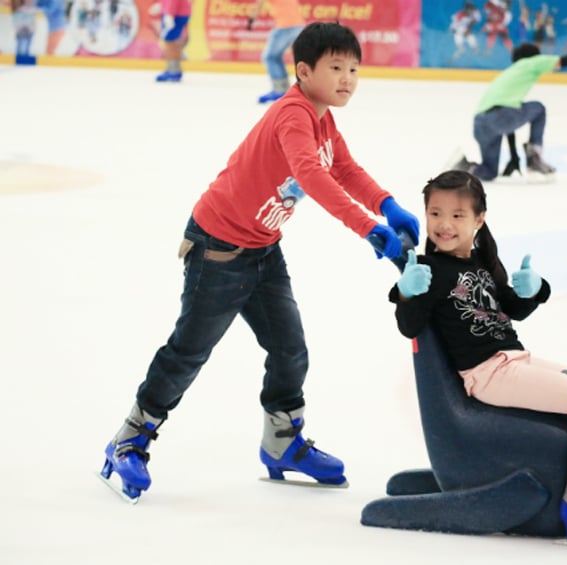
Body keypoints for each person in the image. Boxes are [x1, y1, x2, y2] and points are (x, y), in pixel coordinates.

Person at [100, 21, 420, 502]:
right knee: (189, 350)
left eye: (354, 69)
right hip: (218, 248)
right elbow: (311, 176)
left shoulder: (322, 117)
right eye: (336, 68)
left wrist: (387, 203)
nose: (348, 79)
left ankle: (283, 443)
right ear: (304, 70)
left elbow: (344, 168)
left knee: (290, 348)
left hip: (262, 248)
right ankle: (129, 439)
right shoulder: (293, 114)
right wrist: (371, 229)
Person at [387, 169, 567, 546]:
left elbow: (514, 309)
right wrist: (408, 293)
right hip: (488, 375)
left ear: (479, 220)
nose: (444, 224)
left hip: (513, 360)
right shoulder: (430, 270)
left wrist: (535, 290)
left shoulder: (480, 263)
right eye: (435, 214)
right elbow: (411, 328)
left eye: (457, 215)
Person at [453, 38, 567, 181]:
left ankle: (461, 168)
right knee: (538, 108)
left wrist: (514, 156)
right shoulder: (530, 63)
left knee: (489, 172)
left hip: (481, 123)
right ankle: (534, 156)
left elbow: (507, 123)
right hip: (502, 117)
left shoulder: (509, 73)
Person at [248, 0, 306, 103]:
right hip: (298, 25)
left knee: (270, 57)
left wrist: (251, 19)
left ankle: (280, 89)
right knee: (297, 58)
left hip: (285, 26)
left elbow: (258, 5)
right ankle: (290, 89)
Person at [155, 0, 192, 82]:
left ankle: (174, 70)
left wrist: (169, 13)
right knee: (171, 41)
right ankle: (173, 68)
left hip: (176, 15)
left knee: (170, 41)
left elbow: (172, 1)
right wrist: (161, 5)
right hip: (178, 13)